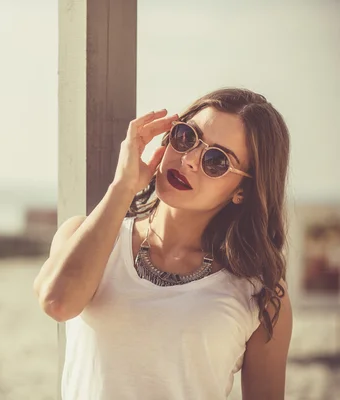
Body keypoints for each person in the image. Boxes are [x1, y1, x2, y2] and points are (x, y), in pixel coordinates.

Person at [33, 88, 293, 400]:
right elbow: (58, 303)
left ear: (242, 191)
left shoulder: (258, 292)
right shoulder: (82, 235)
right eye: (186, 137)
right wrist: (123, 186)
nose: (190, 160)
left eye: (216, 160)